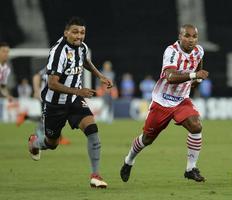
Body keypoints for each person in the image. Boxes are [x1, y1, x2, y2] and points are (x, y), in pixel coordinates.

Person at [27, 17, 113, 188]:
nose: (79, 36)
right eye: (75, 32)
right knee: (52, 143)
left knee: (92, 130)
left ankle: (95, 175)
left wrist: (100, 76)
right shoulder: (58, 52)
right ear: (66, 33)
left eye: (82, 32)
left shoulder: (82, 47)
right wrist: (78, 91)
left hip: (74, 100)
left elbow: (85, 61)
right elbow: (52, 83)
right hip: (54, 104)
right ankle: (34, 143)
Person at [120, 24, 209, 183]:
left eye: (194, 36)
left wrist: (197, 80)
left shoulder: (199, 51)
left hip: (181, 100)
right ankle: (129, 160)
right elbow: (170, 77)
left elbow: (198, 66)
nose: (191, 39)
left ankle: (190, 168)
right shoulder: (171, 52)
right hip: (162, 102)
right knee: (147, 139)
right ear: (180, 36)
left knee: (196, 126)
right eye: (187, 36)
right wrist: (194, 75)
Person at [16, 68, 71, 144]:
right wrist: (36, 90)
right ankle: (57, 138)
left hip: (51, 97)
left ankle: (26, 117)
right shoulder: (52, 65)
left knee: (48, 118)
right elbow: (36, 76)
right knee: (51, 118)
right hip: (47, 97)